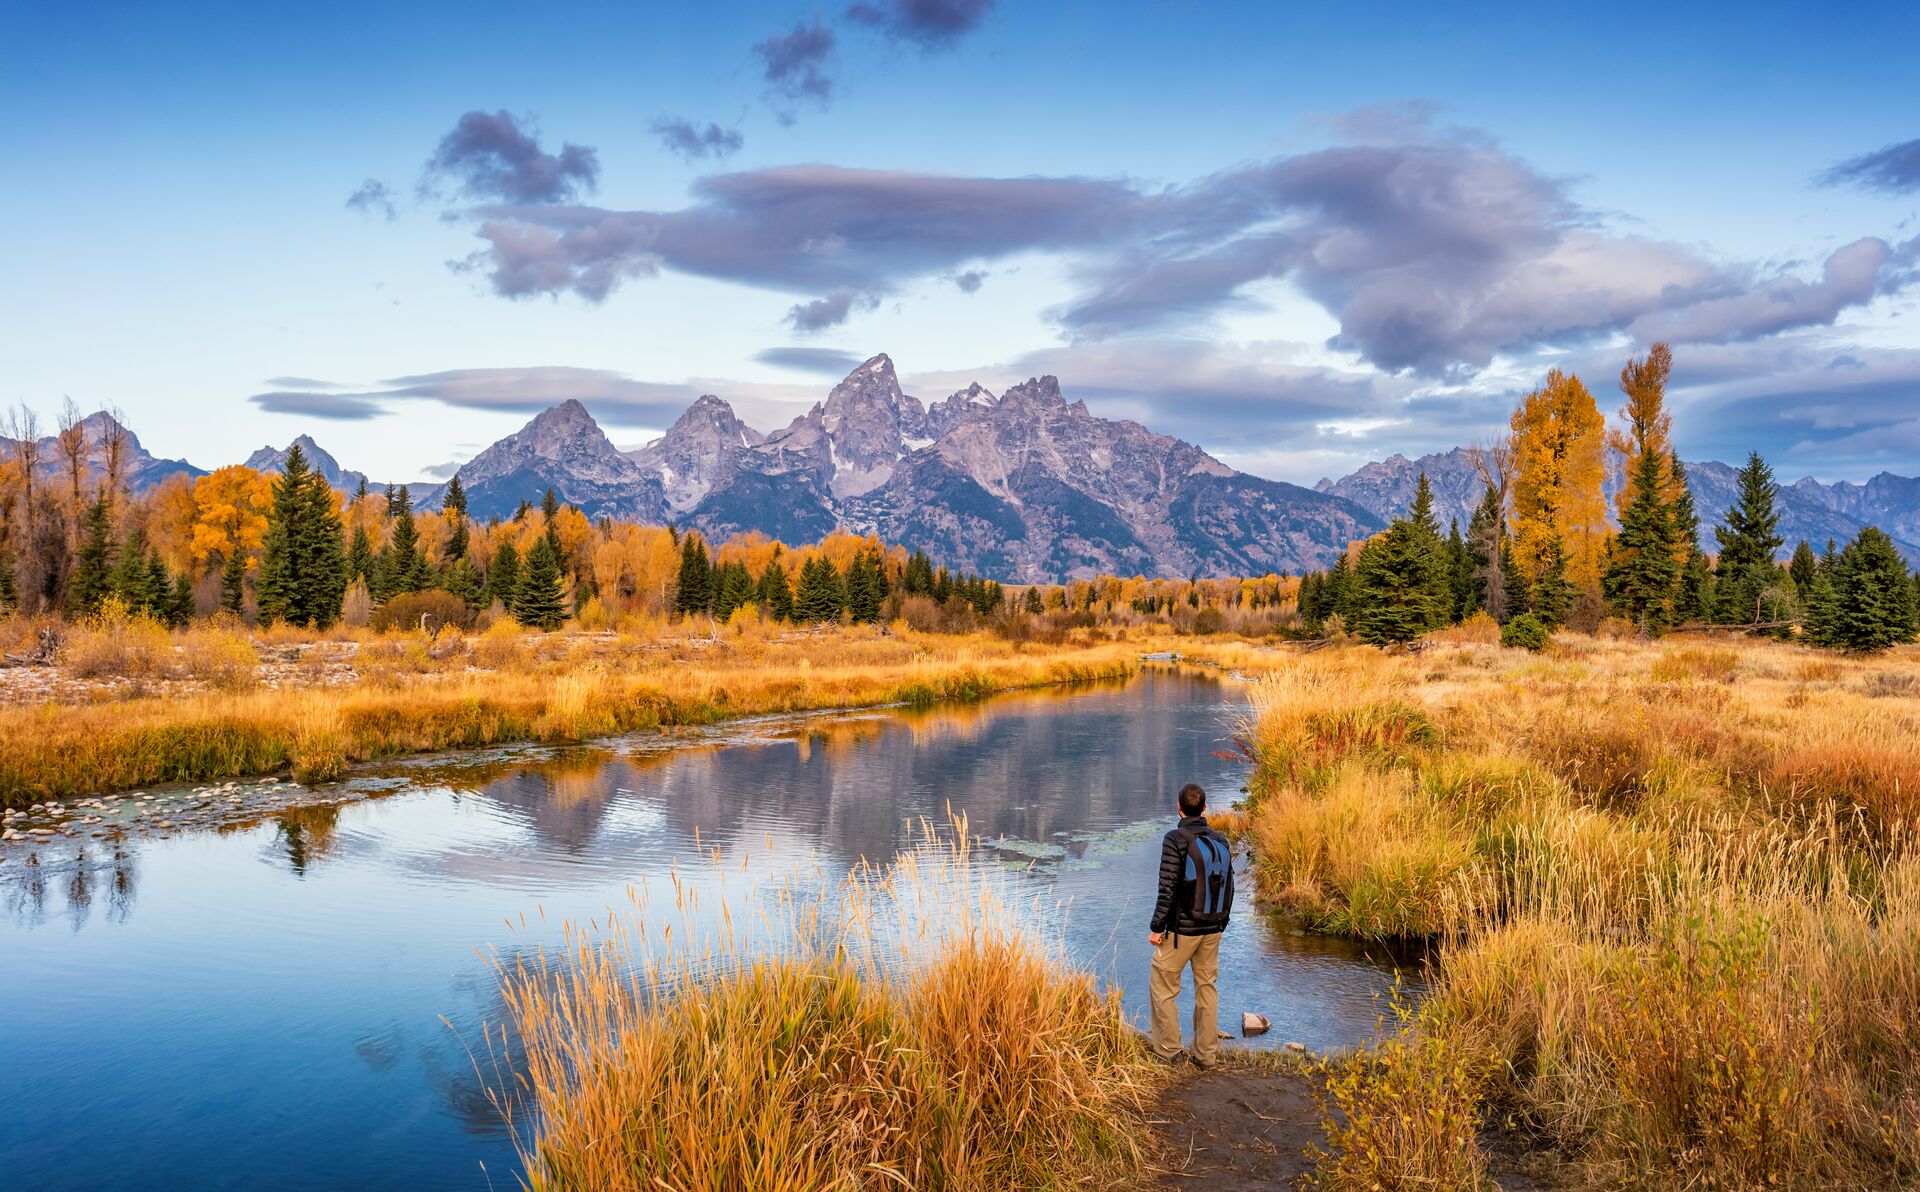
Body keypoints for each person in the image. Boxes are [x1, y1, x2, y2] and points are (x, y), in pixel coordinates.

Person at [1147, 782, 1234, 1067]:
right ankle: (1206, 1056)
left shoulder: (1175, 839)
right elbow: (1230, 887)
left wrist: (1157, 927)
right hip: (1212, 928)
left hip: (1181, 931)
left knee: (1163, 986)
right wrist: (1223, 925)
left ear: (1179, 807)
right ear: (1205, 808)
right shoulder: (1220, 839)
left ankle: (1169, 1052)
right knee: (1207, 989)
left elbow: (1167, 888)